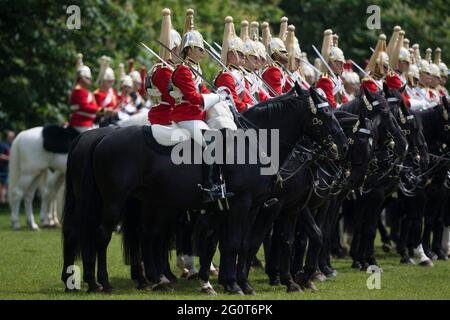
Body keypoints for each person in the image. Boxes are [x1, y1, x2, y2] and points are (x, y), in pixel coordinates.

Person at [170, 8, 232, 204]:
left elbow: (204, 91)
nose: (202, 52)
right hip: (186, 116)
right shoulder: (183, 71)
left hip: (197, 116)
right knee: (212, 141)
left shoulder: (195, 68)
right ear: (188, 49)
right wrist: (216, 97)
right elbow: (195, 98)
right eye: (199, 49)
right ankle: (209, 186)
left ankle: (219, 181)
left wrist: (220, 96)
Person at [147, 8, 181, 125]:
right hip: (165, 118)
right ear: (174, 49)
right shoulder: (164, 71)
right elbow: (174, 100)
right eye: (178, 50)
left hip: (172, 116)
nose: (180, 54)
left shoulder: (170, 69)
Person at [214, 16, 253, 112]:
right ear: (231, 55)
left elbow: (247, 99)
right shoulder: (226, 75)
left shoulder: (239, 74)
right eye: (240, 54)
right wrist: (250, 108)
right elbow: (233, 102)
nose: (244, 56)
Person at [316, 30, 348, 108]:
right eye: (339, 63)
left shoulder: (338, 79)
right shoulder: (325, 79)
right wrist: (344, 108)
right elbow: (329, 103)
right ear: (332, 63)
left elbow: (343, 98)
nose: (342, 66)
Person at [69, 54, 100, 133]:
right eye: (87, 78)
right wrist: (99, 110)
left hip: (89, 123)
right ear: (82, 78)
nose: (89, 80)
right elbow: (84, 106)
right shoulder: (79, 91)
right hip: (80, 123)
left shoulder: (86, 92)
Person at [261, 19, 288, 96]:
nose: (286, 54)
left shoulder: (280, 69)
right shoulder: (273, 70)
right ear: (275, 54)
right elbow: (277, 96)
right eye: (283, 52)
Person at [0, 131, 14, 204]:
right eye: (10, 136)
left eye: (12, 136)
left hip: (7, 169)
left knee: (5, 185)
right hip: (1, 169)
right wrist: (10, 158)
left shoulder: (12, 145)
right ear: (7, 137)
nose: (12, 138)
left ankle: (3, 201)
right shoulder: (2, 145)